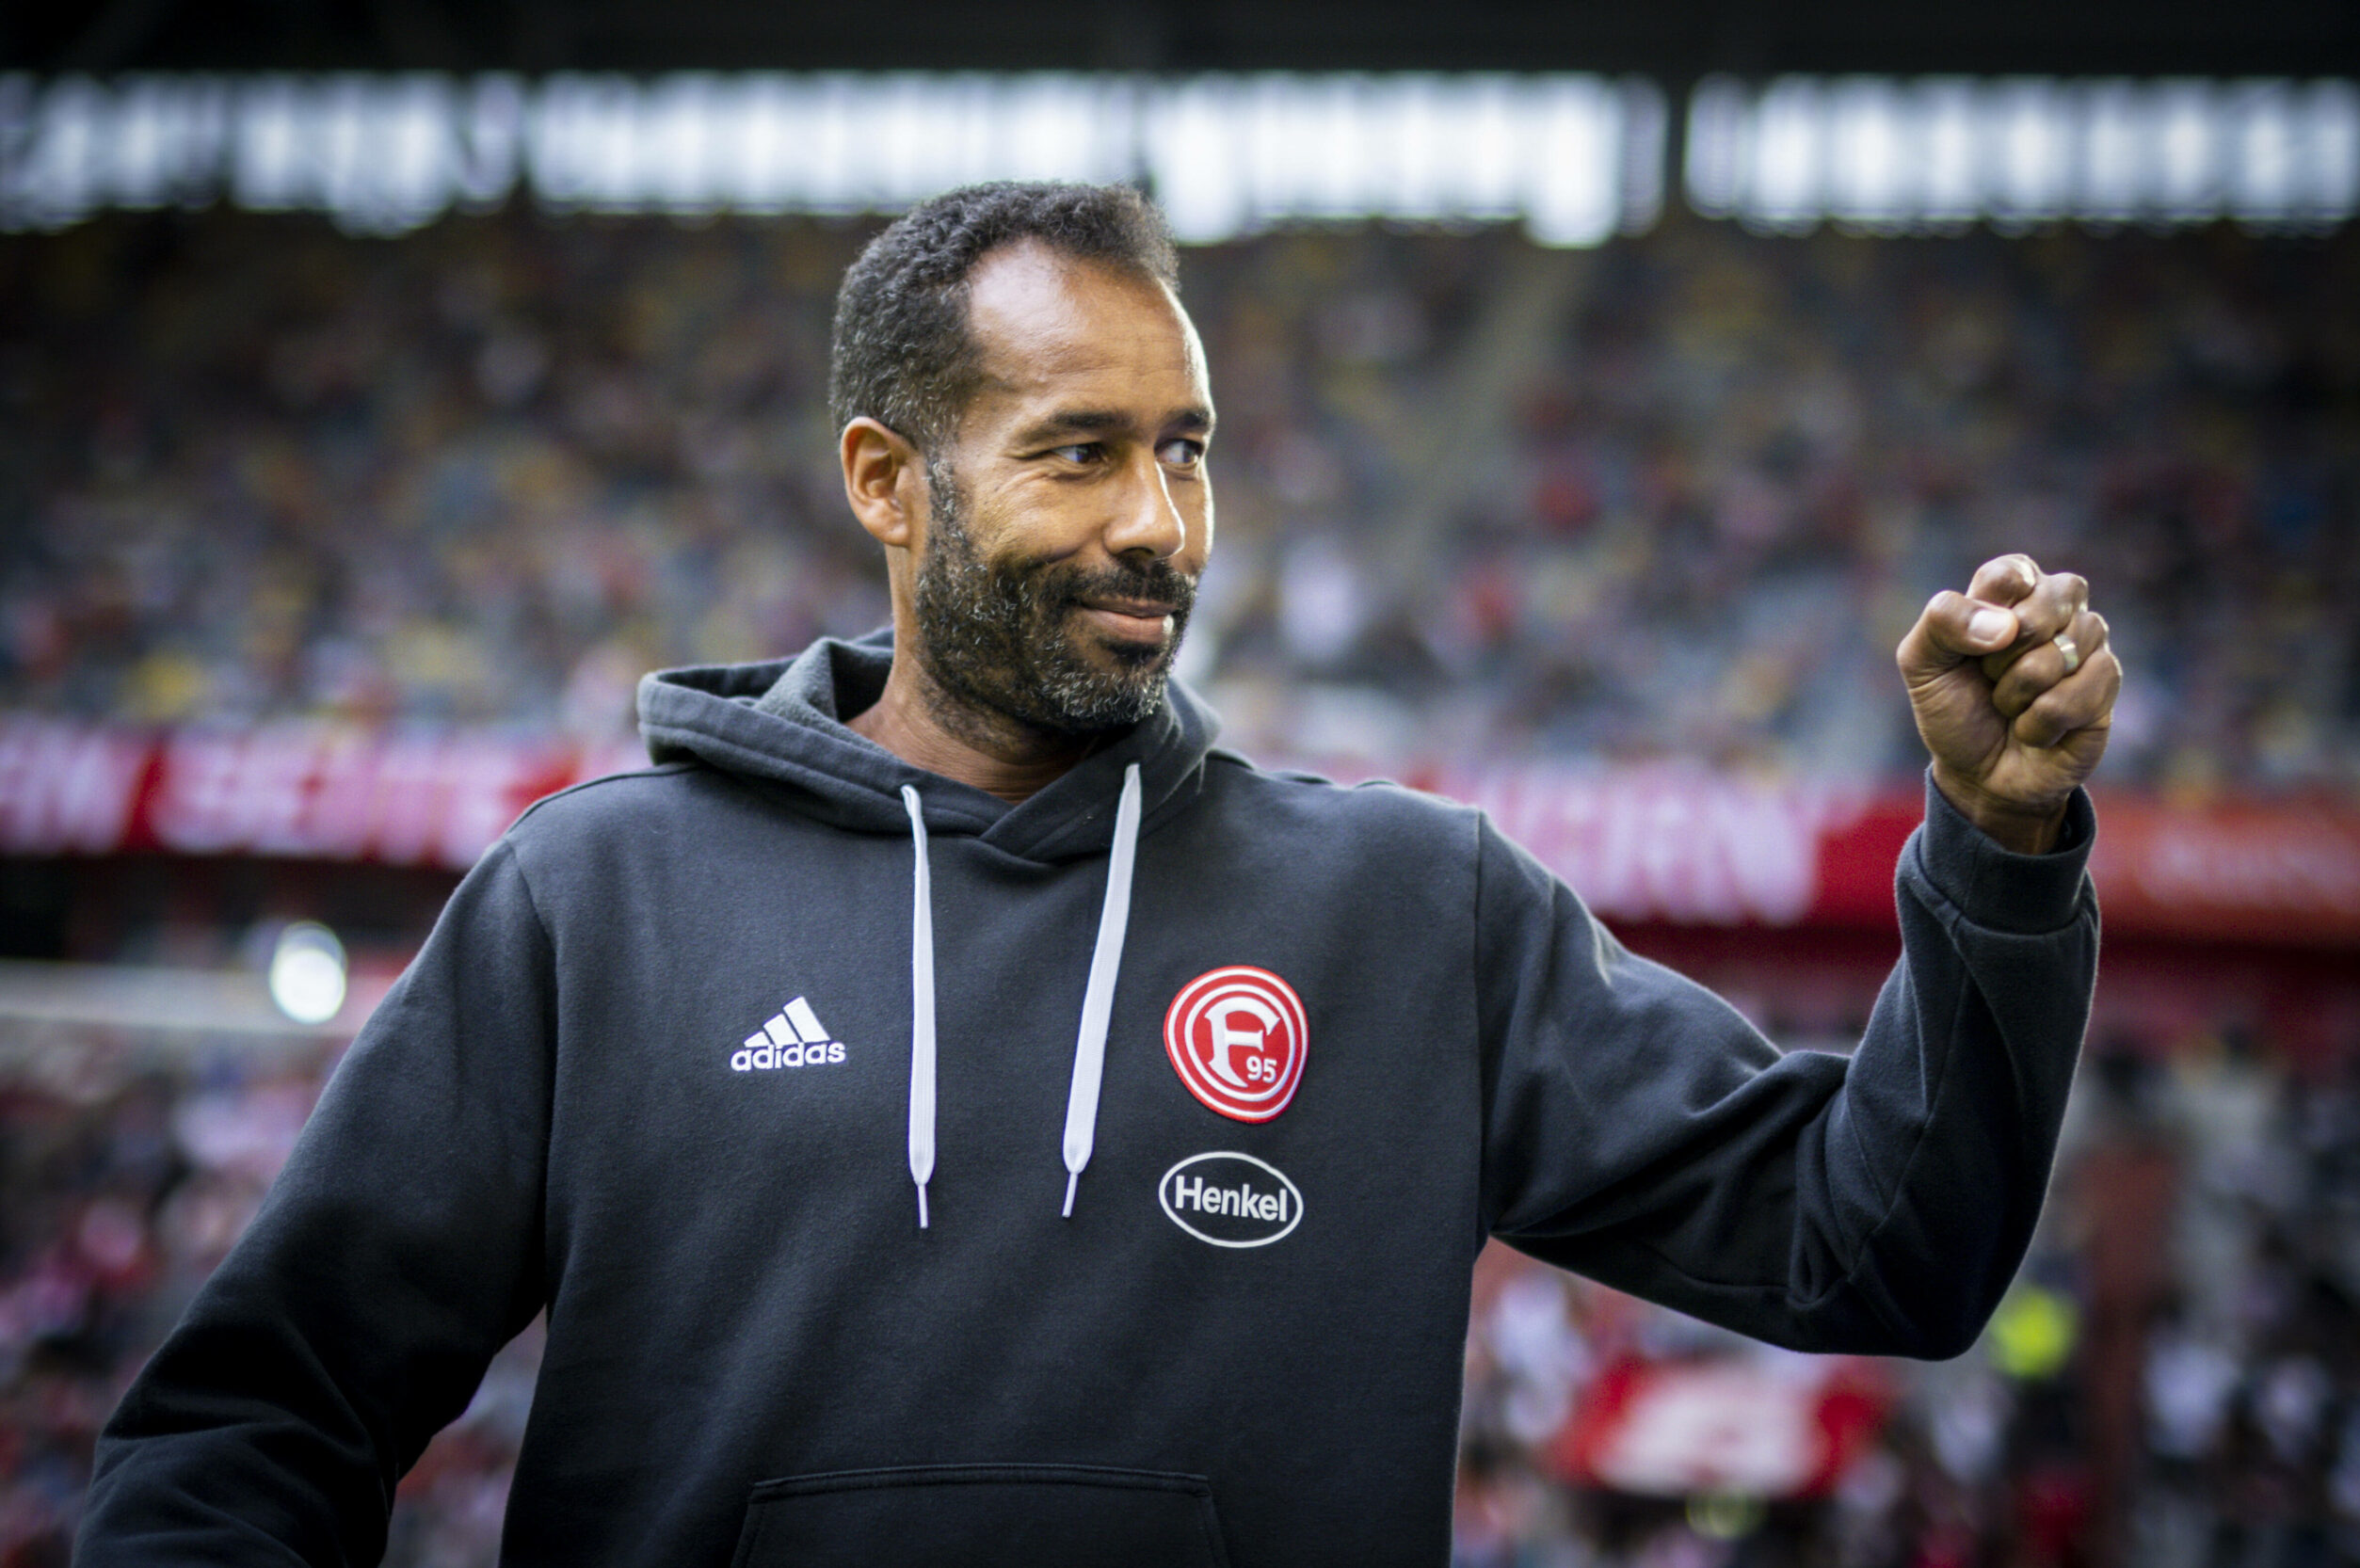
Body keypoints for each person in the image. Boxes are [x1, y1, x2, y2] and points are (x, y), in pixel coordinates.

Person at [77, 183, 2117, 1567]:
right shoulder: (589, 901)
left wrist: (2000, 846)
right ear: (889, 479)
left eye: (1192, 446)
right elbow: (252, 1419)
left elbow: (1885, 1246)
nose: (1161, 521)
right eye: (1077, 450)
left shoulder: (1418, 908)